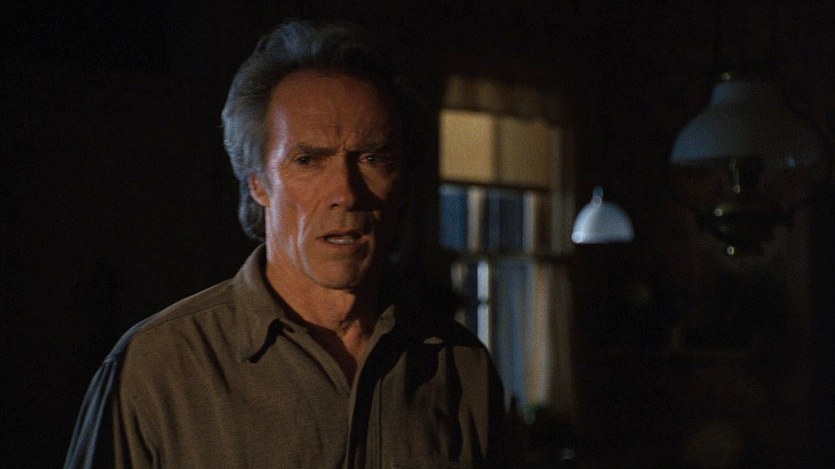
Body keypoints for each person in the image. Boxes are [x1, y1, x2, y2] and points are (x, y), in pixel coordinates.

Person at [64, 20, 507, 468]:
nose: (346, 193)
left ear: (404, 182)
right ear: (258, 182)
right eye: (308, 160)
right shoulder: (161, 366)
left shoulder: (458, 366)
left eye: (373, 158)